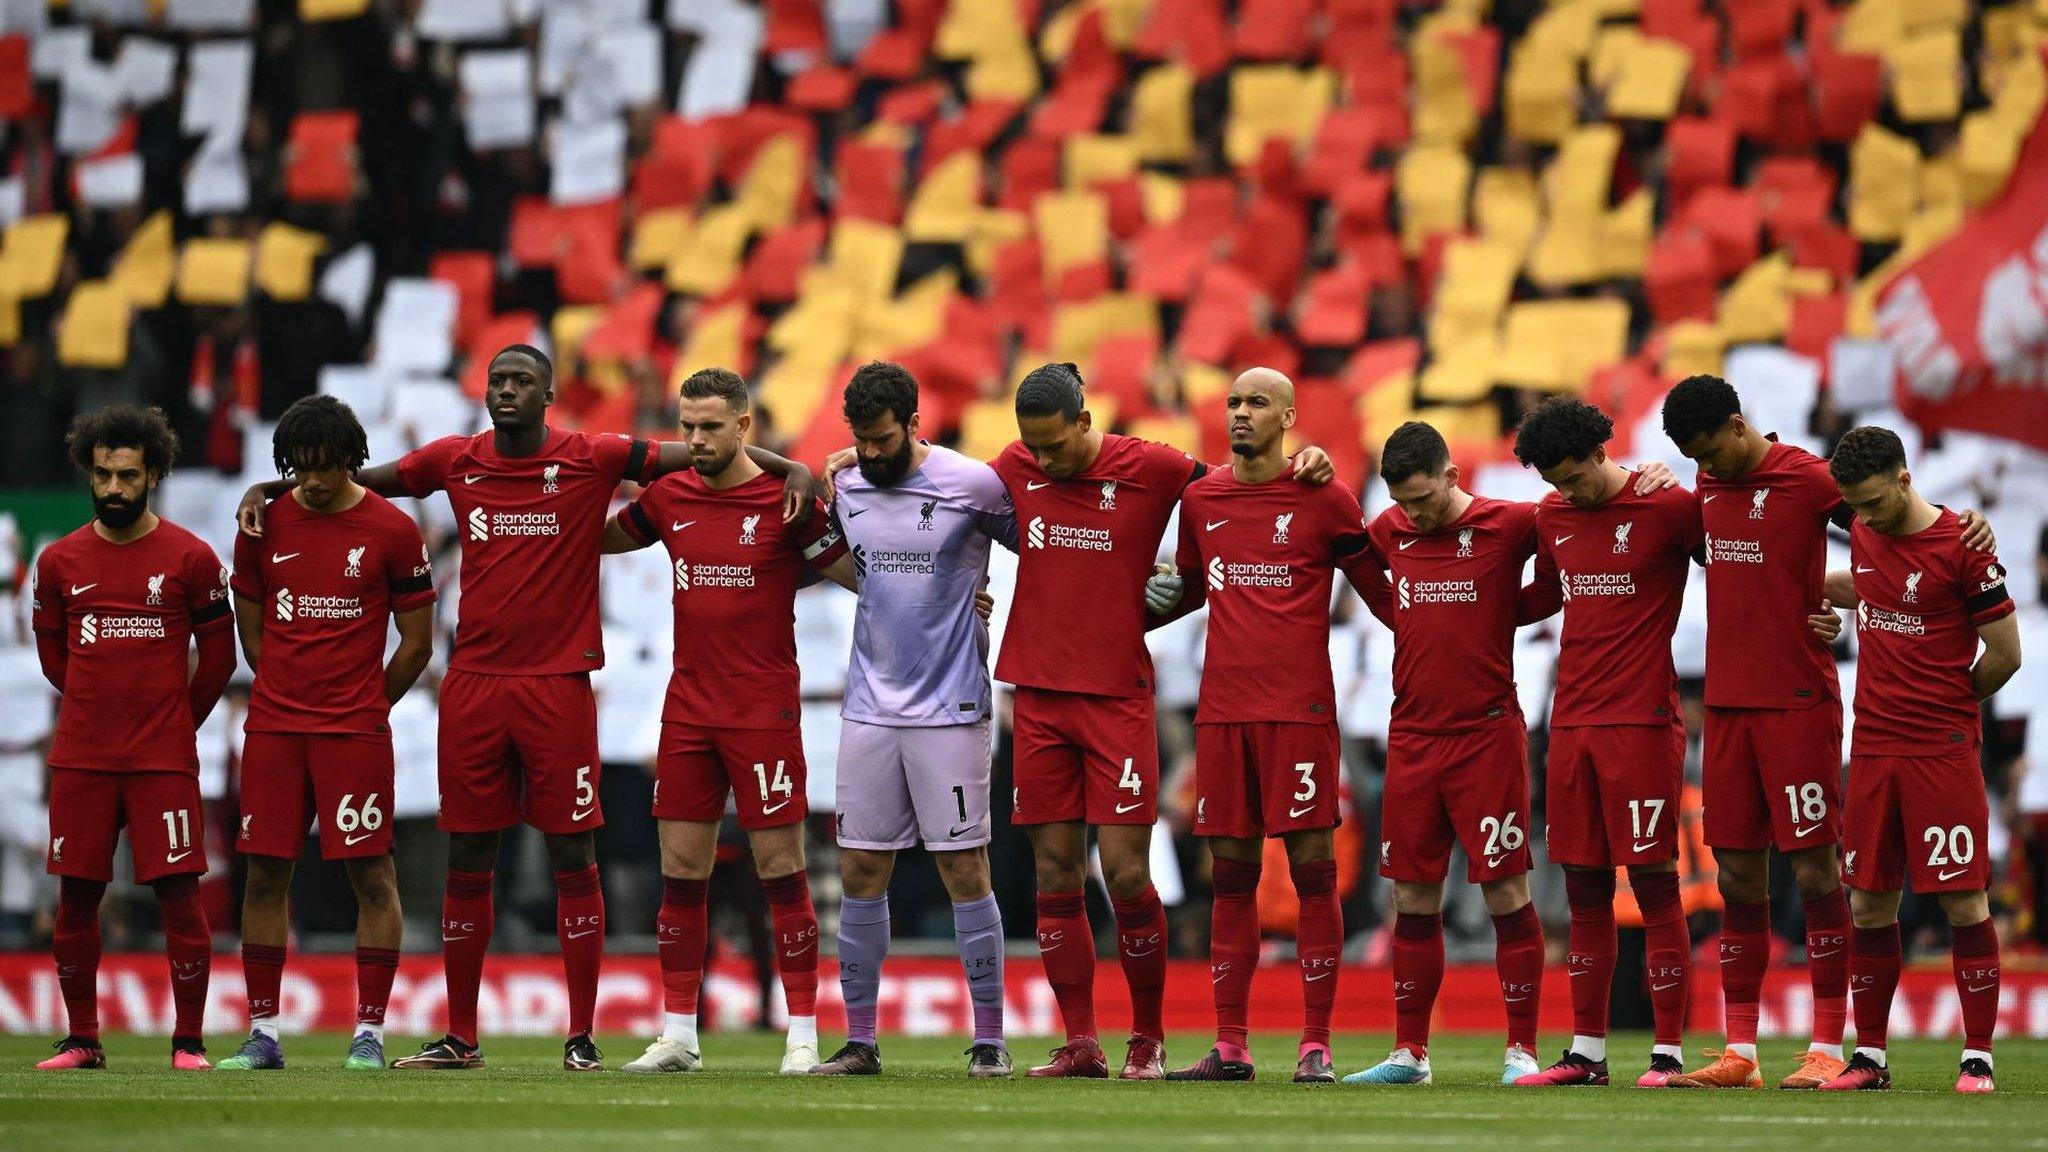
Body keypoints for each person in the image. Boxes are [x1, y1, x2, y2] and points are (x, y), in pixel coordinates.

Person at [234, 345, 812, 1071]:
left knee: (574, 853)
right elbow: (352, 479)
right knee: (469, 855)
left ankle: (580, 1037)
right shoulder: (453, 460)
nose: (506, 391)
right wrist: (267, 486)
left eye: (521, 382)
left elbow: (699, 450)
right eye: (497, 381)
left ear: (547, 395)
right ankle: (462, 1037)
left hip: (558, 685)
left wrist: (794, 469)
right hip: (474, 684)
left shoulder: (594, 454)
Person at [1657, 375, 1994, 1089]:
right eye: (1697, 459)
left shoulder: (1810, 480)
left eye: (1714, 450)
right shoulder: (1705, 483)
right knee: (1738, 875)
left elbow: (1900, 524)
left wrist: (1969, 528)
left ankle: (1827, 1044)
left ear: (1739, 423)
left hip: (1801, 702)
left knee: (1815, 870)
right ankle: (1741, 1054)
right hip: (1727, 705)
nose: (1709, 467)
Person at [1343, 421, 1675, 1086]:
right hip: (1411, 733)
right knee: (1411, 895)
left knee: (1504, 890)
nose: (1415, 513)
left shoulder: (1515, 522)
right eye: (1403, 502)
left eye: (1424, 498)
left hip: (1487, 734)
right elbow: (1358, 561)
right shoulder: (1390, 530)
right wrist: (1398, 612)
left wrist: (1651, 480)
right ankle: (1410, 1053)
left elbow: (1570, 546)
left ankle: (1521, 1048)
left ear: (1452, 477)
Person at [1141, 368, 1386, 1084]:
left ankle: (1315, 1044)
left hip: (1300, 711)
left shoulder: (1326, 497)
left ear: (1288, 416)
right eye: (1234, 402)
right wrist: (1122, 607)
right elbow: (1185, 590)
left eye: (1257, 404)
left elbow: (1383, 592)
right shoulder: (1202, 497)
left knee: (1315, 875)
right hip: (1223, 712)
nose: (1241, 413)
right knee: (1231, 880)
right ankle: (1231, 1045)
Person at [604, 367, 847, 1077]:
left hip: (763, 709)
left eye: (710, 426)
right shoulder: (668, 495)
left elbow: (858, 575)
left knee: (782, 868)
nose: (695, 440)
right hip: (687, 709)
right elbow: (600, 541)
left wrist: (947, 595)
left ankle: (801, 1033)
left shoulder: (787, 499)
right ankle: (679, 1032)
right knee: (681, 871)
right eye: (686, 427)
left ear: (744, 427)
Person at [804, 362, 1018, 1079]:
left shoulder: (973, 484)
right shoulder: (847, 485)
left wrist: (978, 600)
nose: (870, 454)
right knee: (861, 866)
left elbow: (1046, 546)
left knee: (964, 866)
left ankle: (989, 1036)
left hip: (951, 708)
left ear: (915, 423)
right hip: (868, 706)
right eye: (859, 441)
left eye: (882, 439)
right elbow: (827, 550)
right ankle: (860, 1041)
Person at [214, 396, 436, 1071]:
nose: (312, 480)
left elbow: (418, 644)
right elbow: (251, 632)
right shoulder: (262, 524)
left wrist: (368, 706)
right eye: (299, 468)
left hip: (353, 733)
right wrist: (285, 687)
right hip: (276, 728)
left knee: (371, 875)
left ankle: (368, 1032)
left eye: (326, 466)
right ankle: (263, 1034)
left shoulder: (393, 530)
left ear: (350, 461)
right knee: (263, 877)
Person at [1809, 427, 2021, 1094]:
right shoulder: (1869, 528)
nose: (1864, 518)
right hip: (1872, 749)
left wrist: (1954, 702)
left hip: (1941, 749)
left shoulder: (1963, 546)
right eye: (1856, 508)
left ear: (1905, 479)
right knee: (1869, 903)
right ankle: (1869, 1056)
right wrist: (1823, 595)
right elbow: (1869, 580)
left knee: (1963, 900)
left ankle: (1978, 1056)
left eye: (1873, 502)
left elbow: (2006, 655)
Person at [1508, 396, 1704, 1087]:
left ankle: (1669, 1054)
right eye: (1551, 482)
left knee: (1654, 886)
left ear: (1600, 454)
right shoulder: (1553, 517)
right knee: (1584, 891)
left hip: (1643, 724)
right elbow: (1538, 599)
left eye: (1571, 476)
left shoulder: (1669, 508)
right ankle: (1587, 1053)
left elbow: (1746, 559)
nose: (1565, 492)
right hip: (1571, 724)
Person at [32, 406, 235, 1071]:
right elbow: (55, 660)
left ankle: (189, 1042)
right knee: (77, 897)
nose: (113, 488)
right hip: (84, 759)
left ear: (152, 474)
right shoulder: (60, 561)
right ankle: (83, 1040)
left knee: (180, 896)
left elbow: (221, 660)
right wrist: (99, 708)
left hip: (161, 761)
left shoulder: (191, 557)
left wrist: (176, 722)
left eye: (126, 476)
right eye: (102, 476)